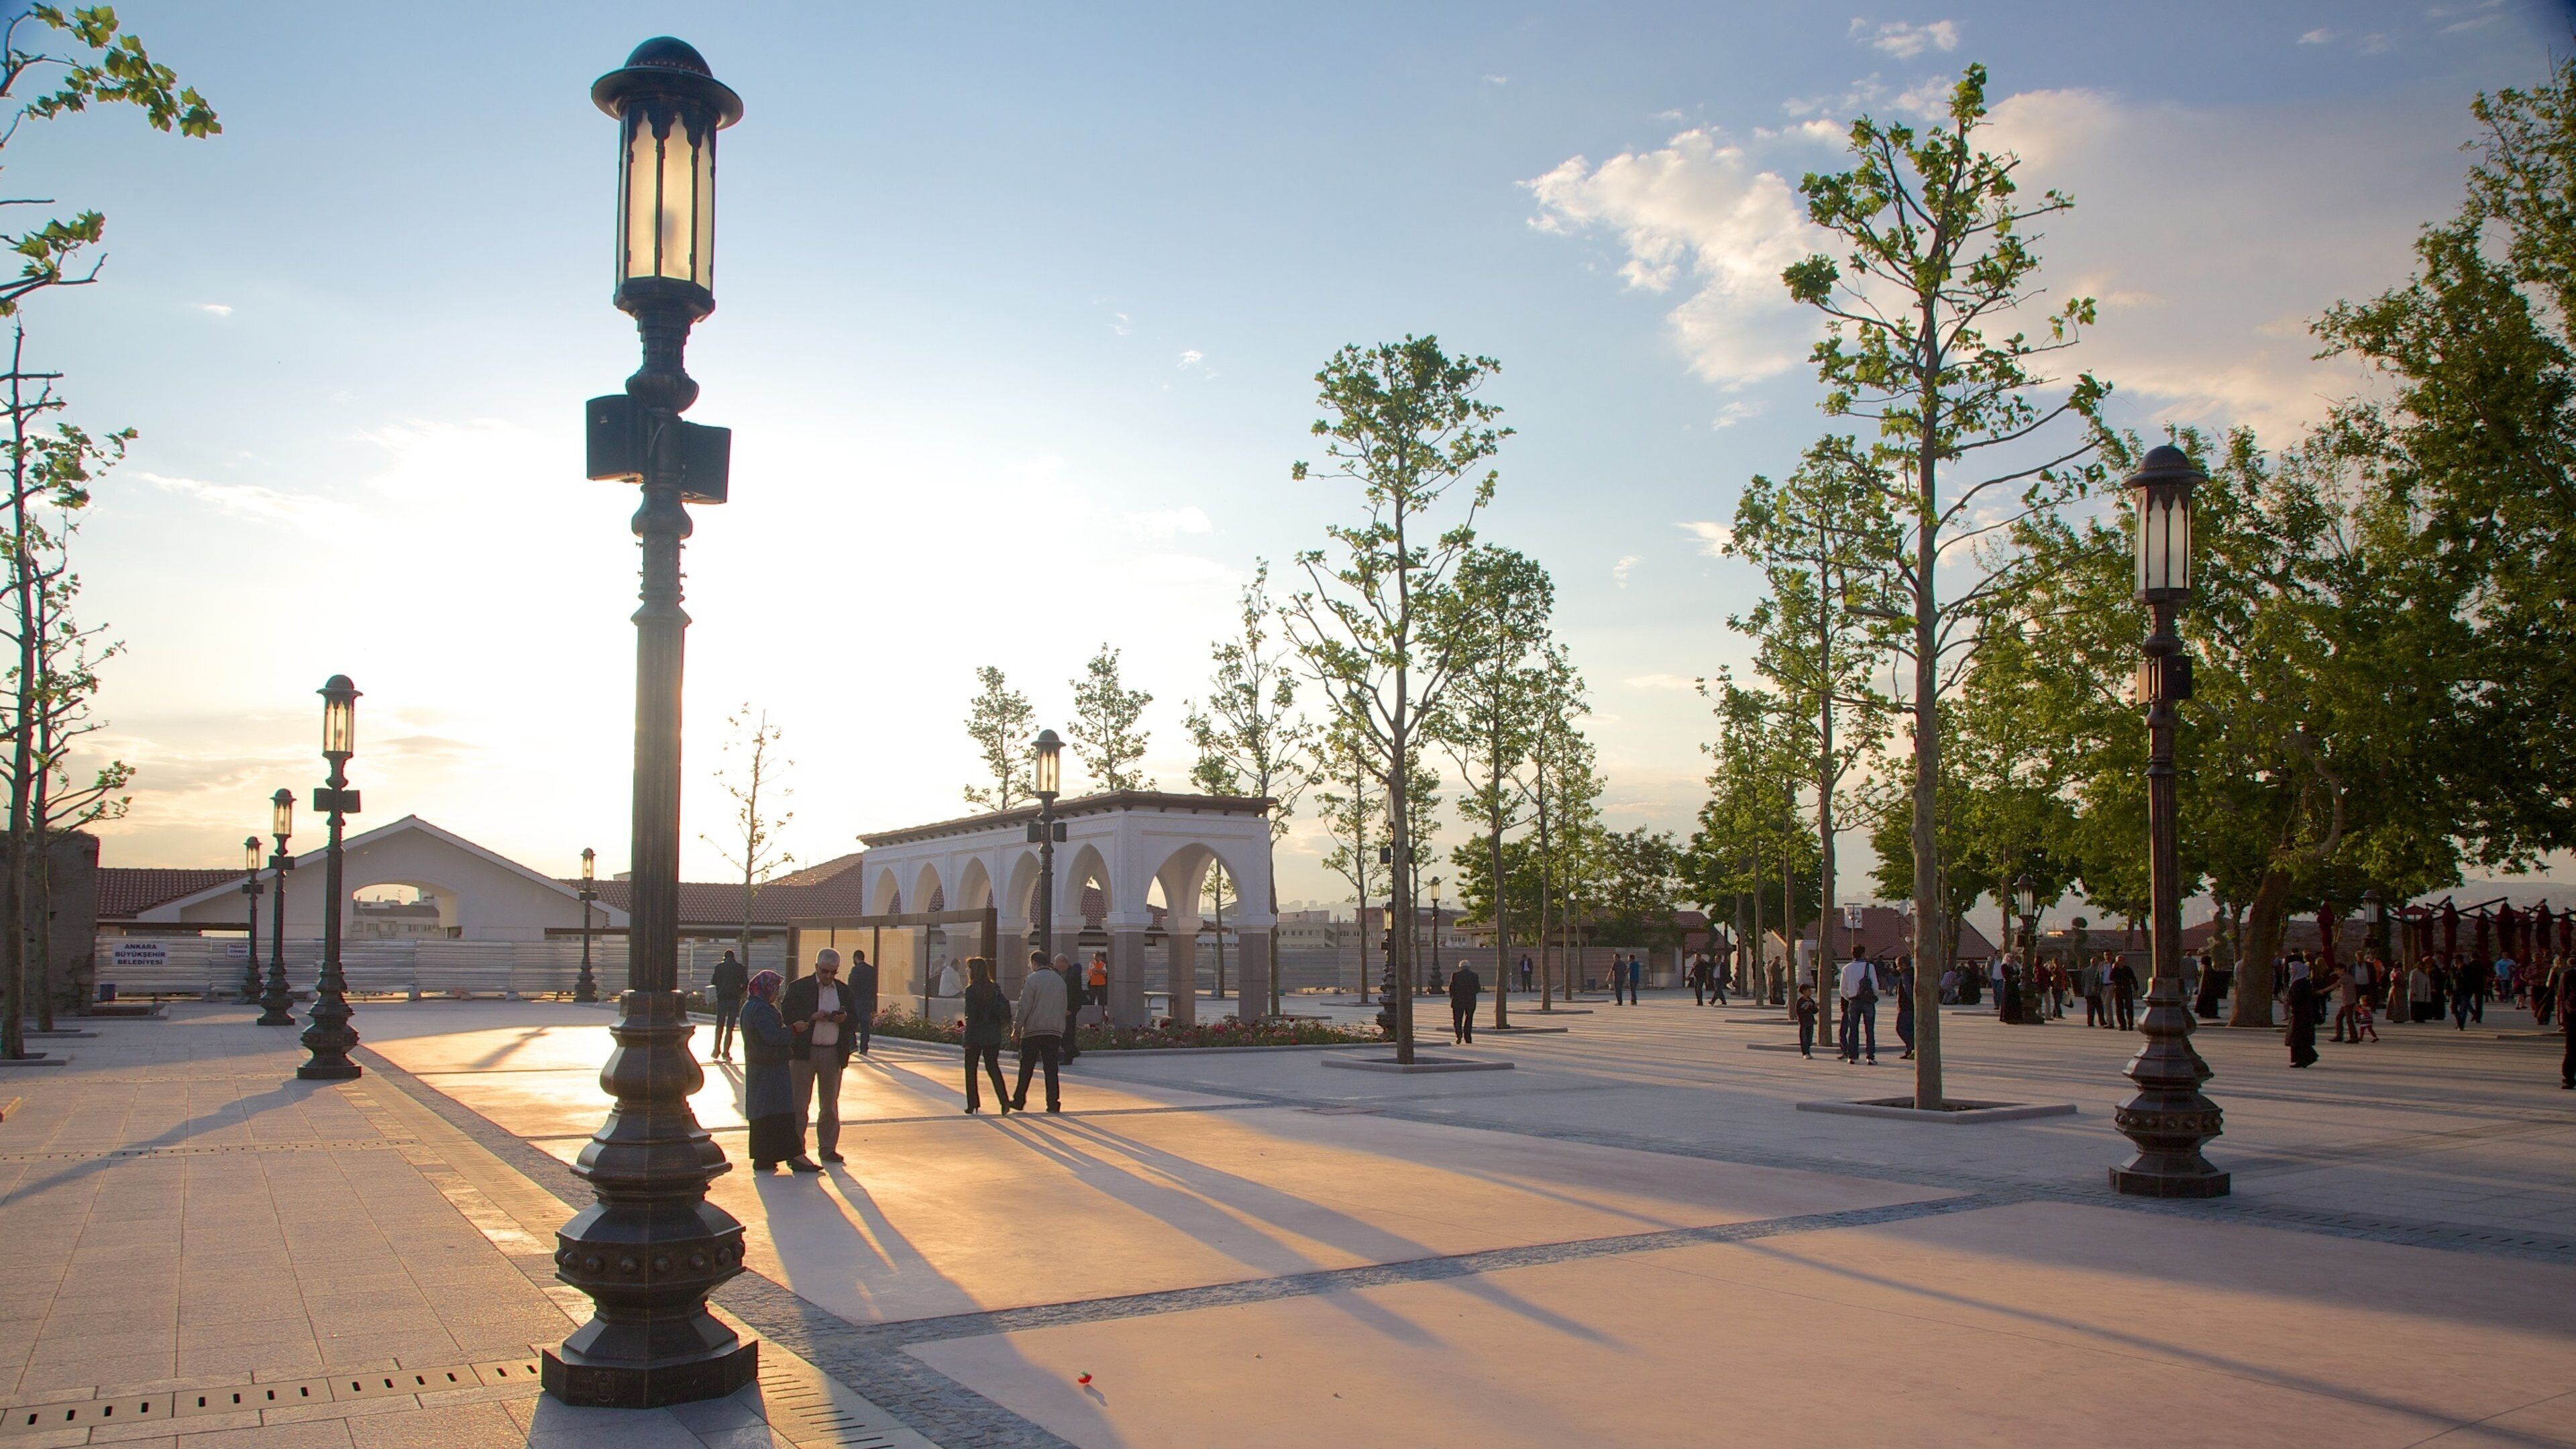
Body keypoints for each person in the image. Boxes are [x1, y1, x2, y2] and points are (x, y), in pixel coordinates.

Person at [782, 948, 861, 1165]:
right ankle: (796, 1151)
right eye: (825, 971)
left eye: (833, 972)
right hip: (803, 1054)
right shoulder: (799, 988)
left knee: (829, 1105)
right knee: (799, 1105)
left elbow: (856, 1019)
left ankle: (828, 1148)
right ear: (816, 967)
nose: (828, 976)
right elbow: (787, 1014)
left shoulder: (844, 992)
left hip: (832, 1052)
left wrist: (844, 1019)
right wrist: (811, 1017)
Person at [739, 970, 817, 1172]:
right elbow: (772, 1036)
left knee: (763, 1115)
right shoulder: (761, 1009)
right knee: (779, 1112)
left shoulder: (752, 1006)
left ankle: (764, 1157)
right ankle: (794, 1155)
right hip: (771, 1070)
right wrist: (794, 1030)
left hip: (761, 1069)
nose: (777, 994)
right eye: (775, 989)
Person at [1014, 947, 1069, 1113]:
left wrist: (1017, 1028)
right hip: (1054, 1031)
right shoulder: (1060, 981)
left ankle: (1019, 1100)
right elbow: (1063, 1006)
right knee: (1051, 1069)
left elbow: (1024, 1006)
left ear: (1034, 963)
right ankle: (1053, 1103)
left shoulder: (1032, 980)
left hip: (1033, 1030)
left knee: (1026, 1068)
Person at [959, 956, 1013, 1114]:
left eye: (969, 968)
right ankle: (1004, 1101)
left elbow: (972, 1017)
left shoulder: (971, 991)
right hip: (993, 1034)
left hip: (976, 1035)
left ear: (974, 971)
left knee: (971, 1070)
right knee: (993, 1068)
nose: (967, 970)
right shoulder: (995, 988)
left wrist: (967, 1039)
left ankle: (973, 1103)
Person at [1837, 947, 1878, 1065]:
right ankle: (1870, 1056)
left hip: (1853, 1001)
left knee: (1853, 1029)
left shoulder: (1846, 968)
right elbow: (1875, 985)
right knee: (1869, 1030)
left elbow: (1842, 989)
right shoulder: (1869, 967)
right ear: (1863, 954)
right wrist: (1872, 996)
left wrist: (1849, 998)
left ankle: (1852, 1056)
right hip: (1867, 1002)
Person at [709, 949, 748, 1061]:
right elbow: (746, 983)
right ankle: (726, 1053)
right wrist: (739, 992)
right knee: (730, 1028)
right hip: (734, 999)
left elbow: (713, 981)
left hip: (722, 999)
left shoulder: (719, 967)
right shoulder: (740, 968)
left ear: (725, 957)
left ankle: (716, 1050)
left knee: (719, 1025)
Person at [847, 947, 879, 1055]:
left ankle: (853, 1045)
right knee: (865, 1025)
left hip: (857, 1001)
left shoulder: (855, 970)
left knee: (851, 1024)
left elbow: (852, 986)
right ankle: (864, 1048)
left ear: (856, 958)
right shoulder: (871, 970)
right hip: (868, 1001)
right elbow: (874, 986)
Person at [2287, 967, 2321, 1068]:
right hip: (2301, 1014)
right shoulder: (2300, 982)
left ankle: (2307, 1058)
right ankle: (2301, 1059)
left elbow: (2297, 998)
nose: (2290, 971)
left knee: (2298, 1037)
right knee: (2297, 1038)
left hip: (2301, 1014)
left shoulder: (2300, 984)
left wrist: (2290, 1001)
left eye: (2291, 969)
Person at [1448, 959, 1481, 1043]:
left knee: (1457, 1020)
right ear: (1469, 967)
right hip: (1470, 1001)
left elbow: (1451, 988)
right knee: (1469, 1019)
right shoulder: (1474, 975)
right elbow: (1478, 989)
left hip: (1458, 1001)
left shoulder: (1455, 975)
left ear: (1460, 967)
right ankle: (1468, 1037)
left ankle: (1459, 1035)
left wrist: (1453, 997)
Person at [1893, 957, 1917, 1061]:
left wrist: (1911, 1001)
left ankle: (1913, 1047)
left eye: (1898, 965)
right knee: (1910, 1029)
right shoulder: (1912, 973)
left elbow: (1908, 990)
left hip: (1906, 1007)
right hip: (1910, 1007)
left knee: (1901, 1028)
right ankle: (1909, 1050)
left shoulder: (1906, 975)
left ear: (1904, 964)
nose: (1897, 968)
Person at [2108, 955, 2139, 1032]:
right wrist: (2113, 969)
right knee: (2119, 1008)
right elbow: (2111, 978)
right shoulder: (2115, 969)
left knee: (2129, 1007)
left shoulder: (2128, 969)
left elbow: (2133, 978)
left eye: (2121, 961)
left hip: (2127, 989)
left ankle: (2130, 1024)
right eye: (2118, 961)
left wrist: (2136, 989)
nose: (2120, 962)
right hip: (2118, 989)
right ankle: (2122, 1025)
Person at [1794, 983, 1819, 1059]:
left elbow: (1814, 1011)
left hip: (1810, 1021)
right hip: (1803, 1022)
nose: (1810, 992)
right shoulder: (1800, 1001)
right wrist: (1805, 1008)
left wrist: (1815, 1007)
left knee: (1809, 1038)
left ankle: (1808, 1051)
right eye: (1809, 990)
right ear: (1804, 992)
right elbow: (1798, 1011)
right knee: (1804, 1038)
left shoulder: (1811, 1001)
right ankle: (1805, 1053)